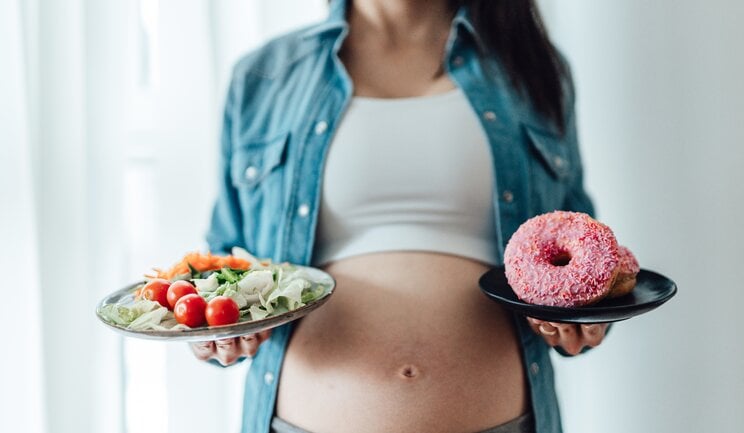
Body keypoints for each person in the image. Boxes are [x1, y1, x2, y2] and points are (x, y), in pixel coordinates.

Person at [191, 0, 610, 432]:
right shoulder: (263, 77)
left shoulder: (532, 67)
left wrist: (585, 321)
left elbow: (580, 252)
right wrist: (216, 332)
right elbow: (225, 267)